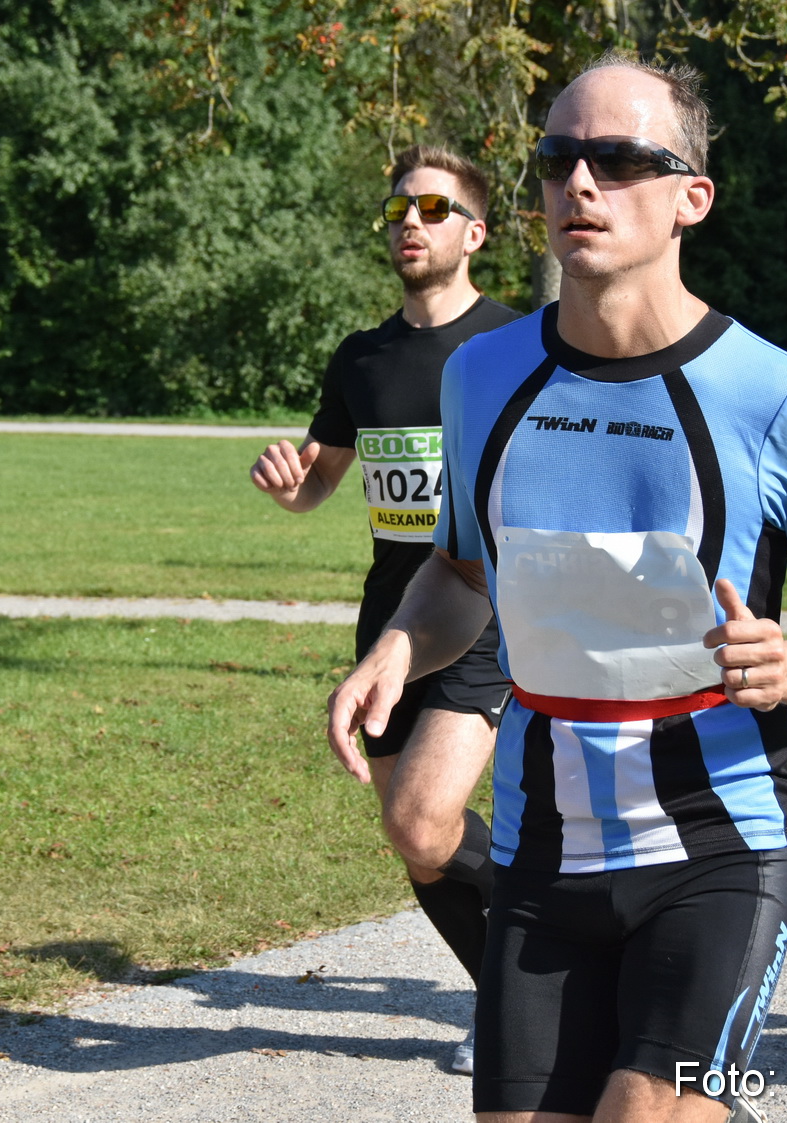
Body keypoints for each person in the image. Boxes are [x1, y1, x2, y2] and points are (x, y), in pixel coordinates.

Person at [328, 54, 787, 1123]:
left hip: (714, 841)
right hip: (539, 849)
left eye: (617, 158)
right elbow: (464, 569)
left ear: (691, 195)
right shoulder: (484, 375)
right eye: (558, 159)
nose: (580, 185)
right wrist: (397, 647)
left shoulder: (776, 397)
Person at [249, 144, 518, 1075]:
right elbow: (321, 483)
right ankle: (511, 998)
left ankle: (537, 932)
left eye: (434, 208)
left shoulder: (515, 346)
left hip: (487, 615)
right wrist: (289, 485)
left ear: (474, 232)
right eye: (400, 208)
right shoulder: (362, 358)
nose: (411, 221)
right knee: (419, 844)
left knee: (418, 819)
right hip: (388, 621)